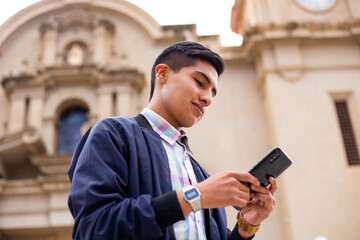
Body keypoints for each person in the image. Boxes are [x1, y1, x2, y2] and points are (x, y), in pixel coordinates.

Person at [68, 41, 277, 240]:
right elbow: (94, 228)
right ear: (163, 73)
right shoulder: (113, 134)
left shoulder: (200, 173)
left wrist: (246, 228)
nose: (208, 99)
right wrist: (195, 197)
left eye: (212, 92)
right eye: (199, 82)